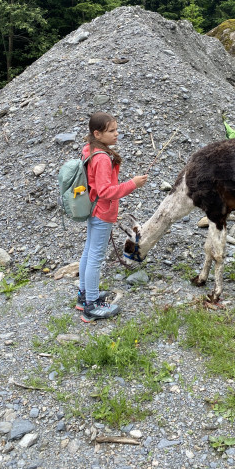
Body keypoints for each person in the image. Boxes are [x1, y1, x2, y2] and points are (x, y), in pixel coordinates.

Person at [77, 112, 147, 321]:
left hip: (92, 209)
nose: (117, 134)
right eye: (111, 131)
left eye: (116, 129)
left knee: (89, 252)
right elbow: (105, 191)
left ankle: (84, 296)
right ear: (97, 134)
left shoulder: (89, 149)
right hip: (102, 212)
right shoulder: (102, 159)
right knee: (95, 258)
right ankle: (91, 306)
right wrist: (132, 184)